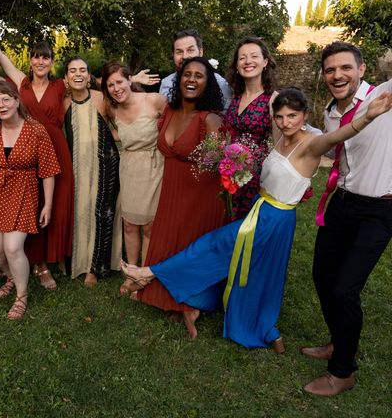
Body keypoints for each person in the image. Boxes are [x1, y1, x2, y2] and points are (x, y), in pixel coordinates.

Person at [122, 88, 392, 352]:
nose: (285, 122)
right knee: (245, 267)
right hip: (260, 208)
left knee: (219, 247)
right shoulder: (279, 136)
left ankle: (149, 273)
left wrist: (367, 117)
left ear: (305, 115)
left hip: (275, 219)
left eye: (292, 116)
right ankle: (254, 325)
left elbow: (339, 135)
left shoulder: (311, 143)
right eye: (279, 116)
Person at [302, 0, 392, 397]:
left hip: (379, 209)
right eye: (330, 70)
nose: (338, 75)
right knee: (322, 275)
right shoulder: (330, 111)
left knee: (344, 287)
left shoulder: (385, 97)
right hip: (341, 203)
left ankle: (344, 371)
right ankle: (339, 339)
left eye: (345, 68)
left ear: (361, 71)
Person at [136, 56, 226, 337]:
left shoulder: (210, 119)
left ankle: (191, 304)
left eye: (199, 76)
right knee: (171, 242)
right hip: (172, 189)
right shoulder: (170, 111)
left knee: (189, 245)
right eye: (187, 74)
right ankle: (171, 300)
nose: (191, 80)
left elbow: (213, 163)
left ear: (207, 83)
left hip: (200, 193)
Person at [0, 81, 60, 319]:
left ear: (16, 100)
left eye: (5, 99)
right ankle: (12, 277)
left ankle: (21, 296)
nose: (1, 105)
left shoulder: (36, 130)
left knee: (13, 248)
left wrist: (48, 204)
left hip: (23, 192)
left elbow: (48, 170)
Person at [101, 61, 167, 294]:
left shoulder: (154, 100)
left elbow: (175, 124)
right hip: (128, 167)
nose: (116, 88)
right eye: (110, 84)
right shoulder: (111, 108)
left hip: (154, 166)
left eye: (120, 81)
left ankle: (144, 276)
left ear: (130, 80)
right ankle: (131, 271)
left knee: (149, 225)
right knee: (129, 223)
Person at [63, 56, 122, 285]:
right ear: (66, 77)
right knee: (79, 211)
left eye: (83, 70)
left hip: (104, 165)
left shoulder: (100, 99)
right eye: (72, 70)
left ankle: (95, 267)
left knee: (101, 214)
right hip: (76, 167)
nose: (78, 74)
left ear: (89, 76)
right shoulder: (64, 102)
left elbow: (121, 124)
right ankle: (76, 262)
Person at [224, 37, 278, 219]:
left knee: (248, 230)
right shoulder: (235, 97)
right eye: (242, 58)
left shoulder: (273, 99)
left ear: (265, 62)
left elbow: (280, 144)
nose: (247, 61)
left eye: (254, 56)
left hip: (256, 178)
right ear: (237, 66)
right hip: (230, 174)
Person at [159, 29, 233, 110]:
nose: (185, 56)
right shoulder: (166, 83)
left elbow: (226, 116)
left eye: (190, 50)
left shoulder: (219, 83)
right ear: (173, 55)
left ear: (200, 52)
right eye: (179, 52)